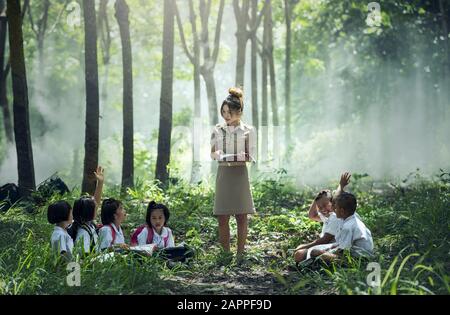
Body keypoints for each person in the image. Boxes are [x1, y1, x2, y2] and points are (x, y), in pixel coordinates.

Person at [210, 87, 257, 263]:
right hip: (224, 174)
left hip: (239, 175)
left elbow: (251, 155)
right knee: (222, 216)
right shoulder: (217, 129)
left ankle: (240, 254)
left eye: (229, 112)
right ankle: (225, 254)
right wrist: (218, 155)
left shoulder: (248, 130)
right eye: (223, 112)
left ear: (239, 112)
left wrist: (240, 156)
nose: (226, 116)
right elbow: (212, 153)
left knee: (241, 216)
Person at [294, 173, 351, 263]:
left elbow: (324, 240)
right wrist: (318, 198)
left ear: (333, 202)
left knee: (299, 253)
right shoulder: (327, 216)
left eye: (325, 205)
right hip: (327, 246)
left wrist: (304, 247)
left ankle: (335, 261)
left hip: (334, 246)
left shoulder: (335, 216)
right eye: (320, 207)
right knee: (299, 250)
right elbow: (312, 215)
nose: (323, 209)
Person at [310, 192, 374, 262]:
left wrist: (329, 252)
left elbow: (343, 251)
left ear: (342, 211)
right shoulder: (351, 219)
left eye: (335, 208)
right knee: (323, 251)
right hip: (360, 254)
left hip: (359, 259)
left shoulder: (347, 227)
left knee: (315, 252)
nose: (333, 210)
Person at [69, 166, 105, 254]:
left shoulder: (89, 224)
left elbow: (95, 202)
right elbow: (83, 256)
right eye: (94, 208)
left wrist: (100, 183)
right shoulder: (83, 233)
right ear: (89, 212)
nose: (97, 207)